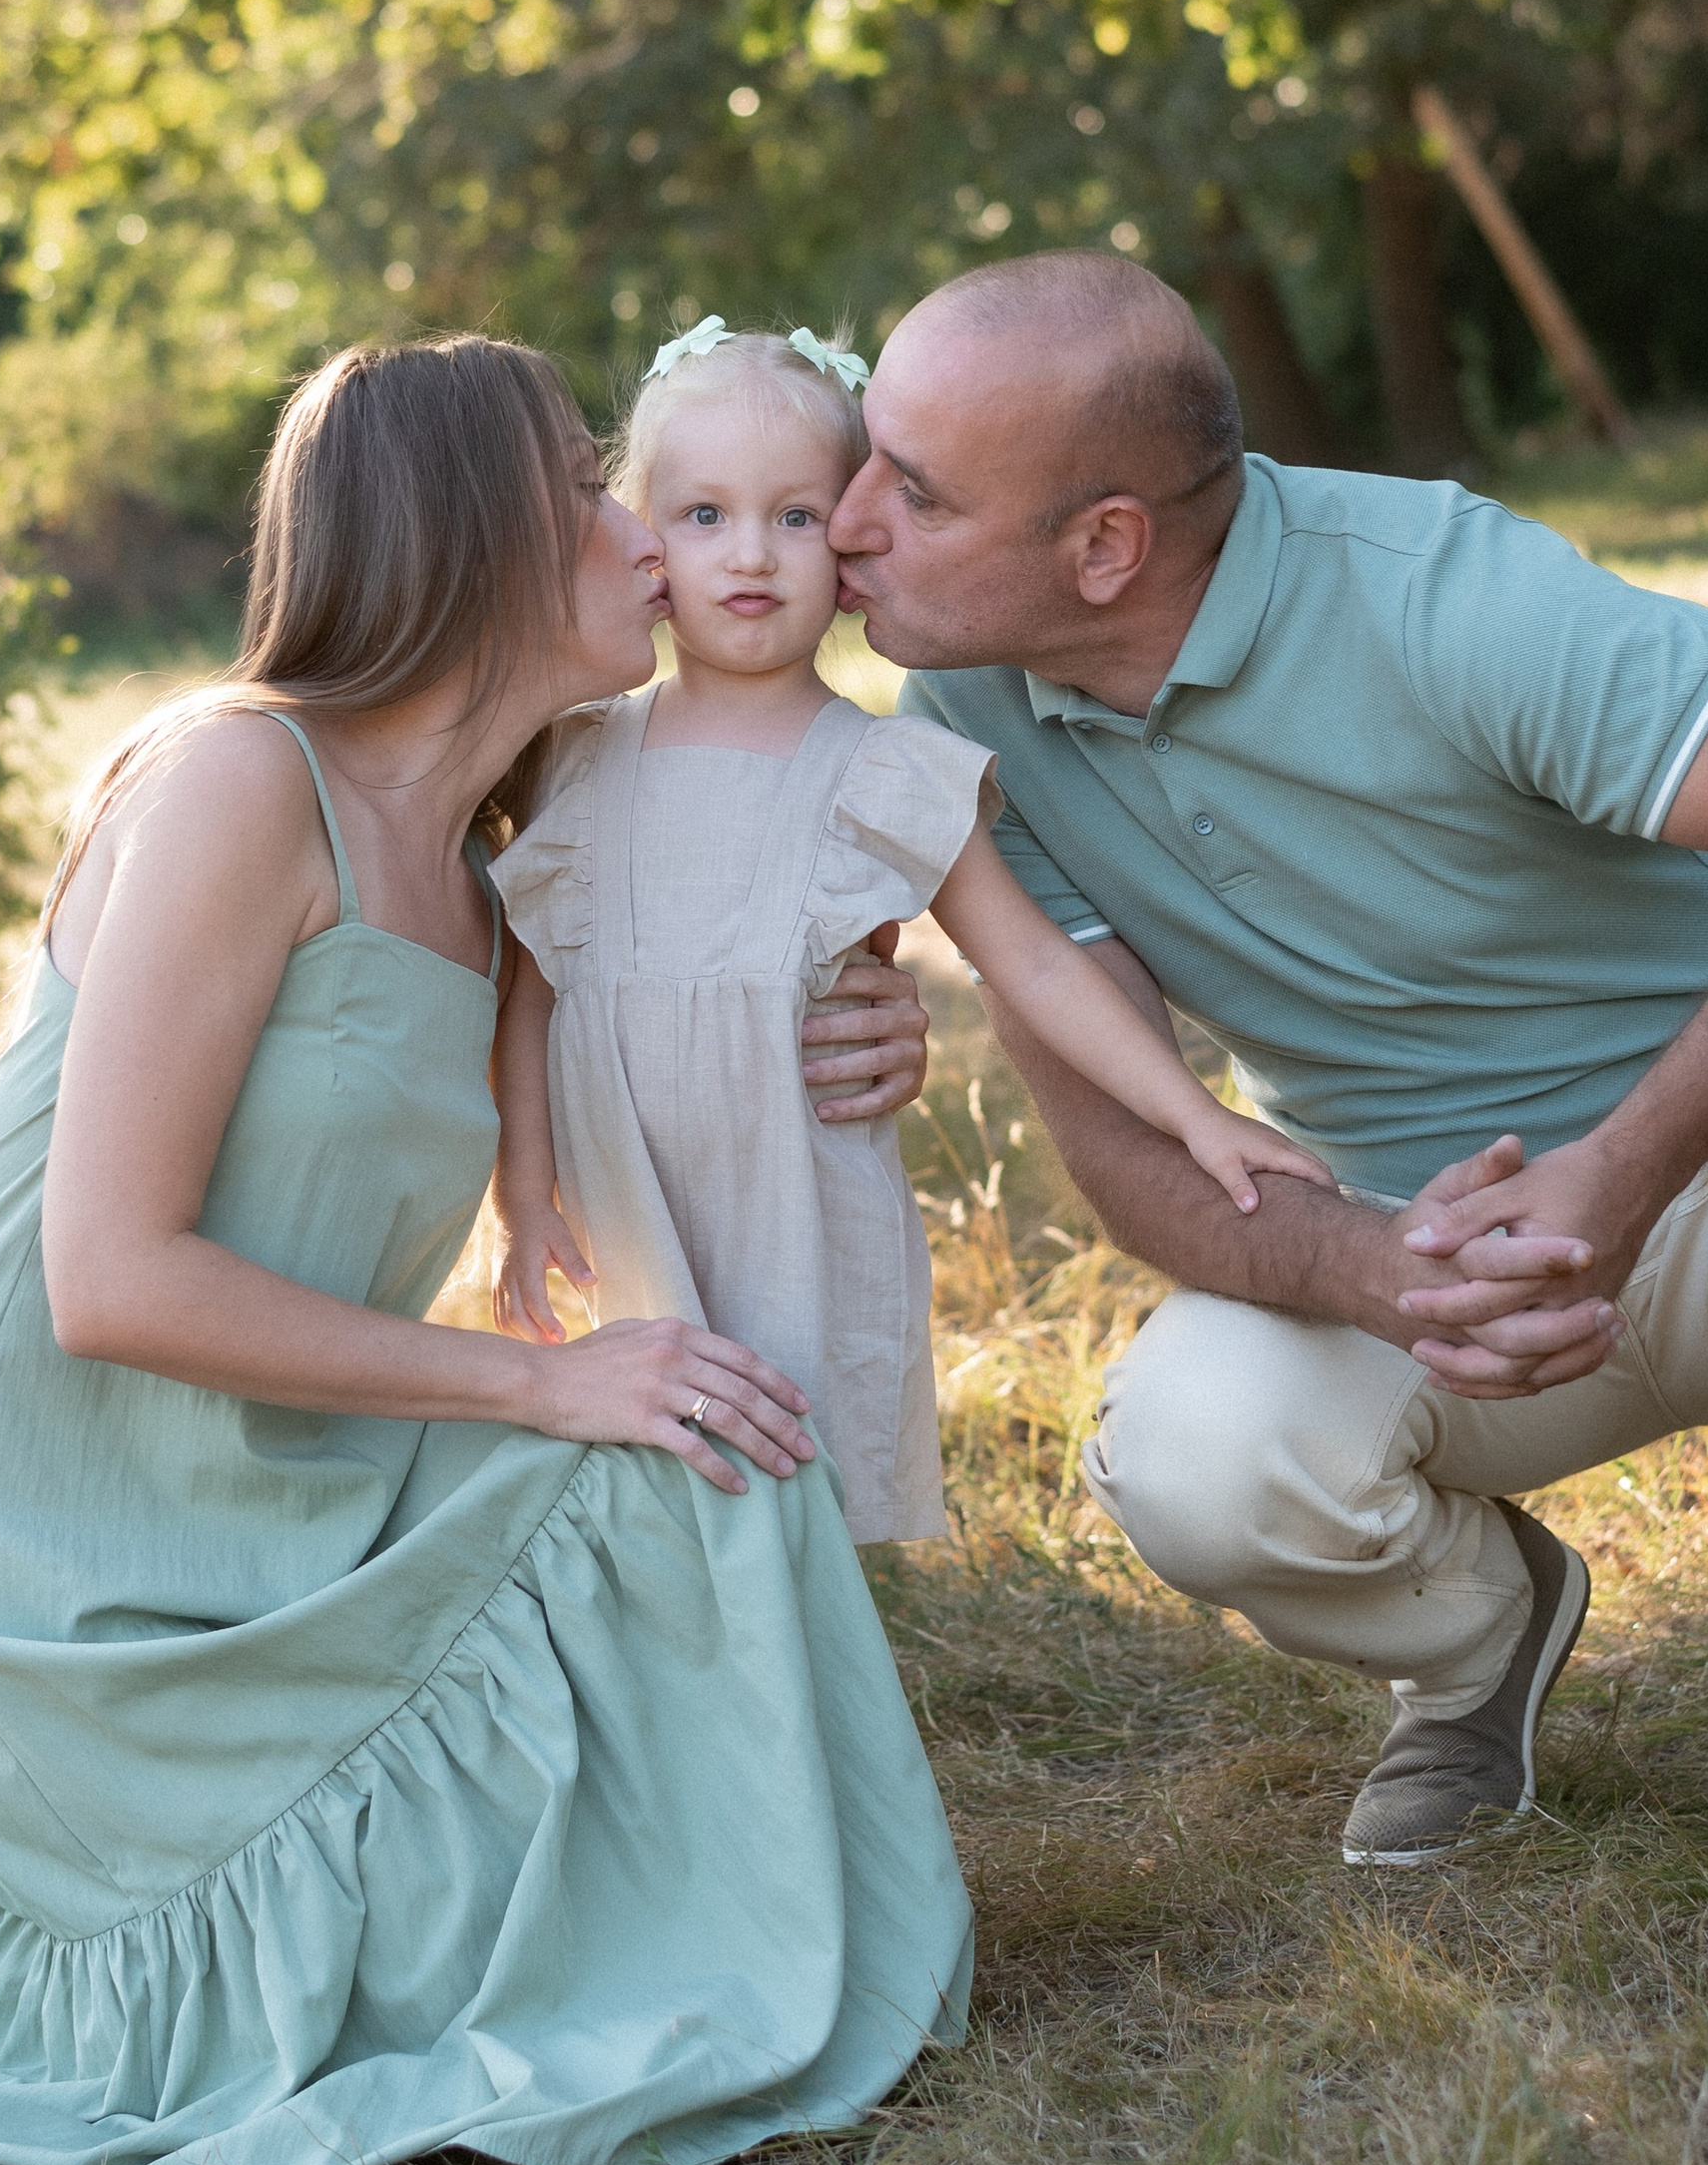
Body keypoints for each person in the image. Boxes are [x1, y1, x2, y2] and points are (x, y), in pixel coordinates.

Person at [0, 337, 973, 2165]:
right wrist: (539, 1378)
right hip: (34, 1562)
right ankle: (605, 1945)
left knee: (718, 1452)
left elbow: (728, 954)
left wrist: (869, 1026)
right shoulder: (237, 784)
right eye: (595, 495)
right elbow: (111, 1281)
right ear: (472, 536)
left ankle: (742, 1945)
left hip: (280, 1494)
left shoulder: (487, 854)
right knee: (639, 1426)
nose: (644, 538)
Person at [832, 250, 1708, 1907]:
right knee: (1191, 1444)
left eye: (908, 491)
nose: (843, 521)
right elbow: (1133, 1160)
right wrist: (1375, 1262)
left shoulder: (1434, 594)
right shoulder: (966, 714)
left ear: (1105, 546)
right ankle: (1485, 1641)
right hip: (1442, 1272)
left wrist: (1623, 1169)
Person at [489, 317, 1329, 1541]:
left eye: (794, 517)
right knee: (641, 1486)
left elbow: (1031, 957)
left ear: (849, 544)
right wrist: (524, 1194)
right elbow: (530, 991)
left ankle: (821, 1684)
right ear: (642, 533)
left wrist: (1195, 1113)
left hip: (797, 1203)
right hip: (625, 1191)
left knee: (790, 1473)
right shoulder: (574, 754)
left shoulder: (880, 771)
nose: (752, 557)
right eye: (704, 514)